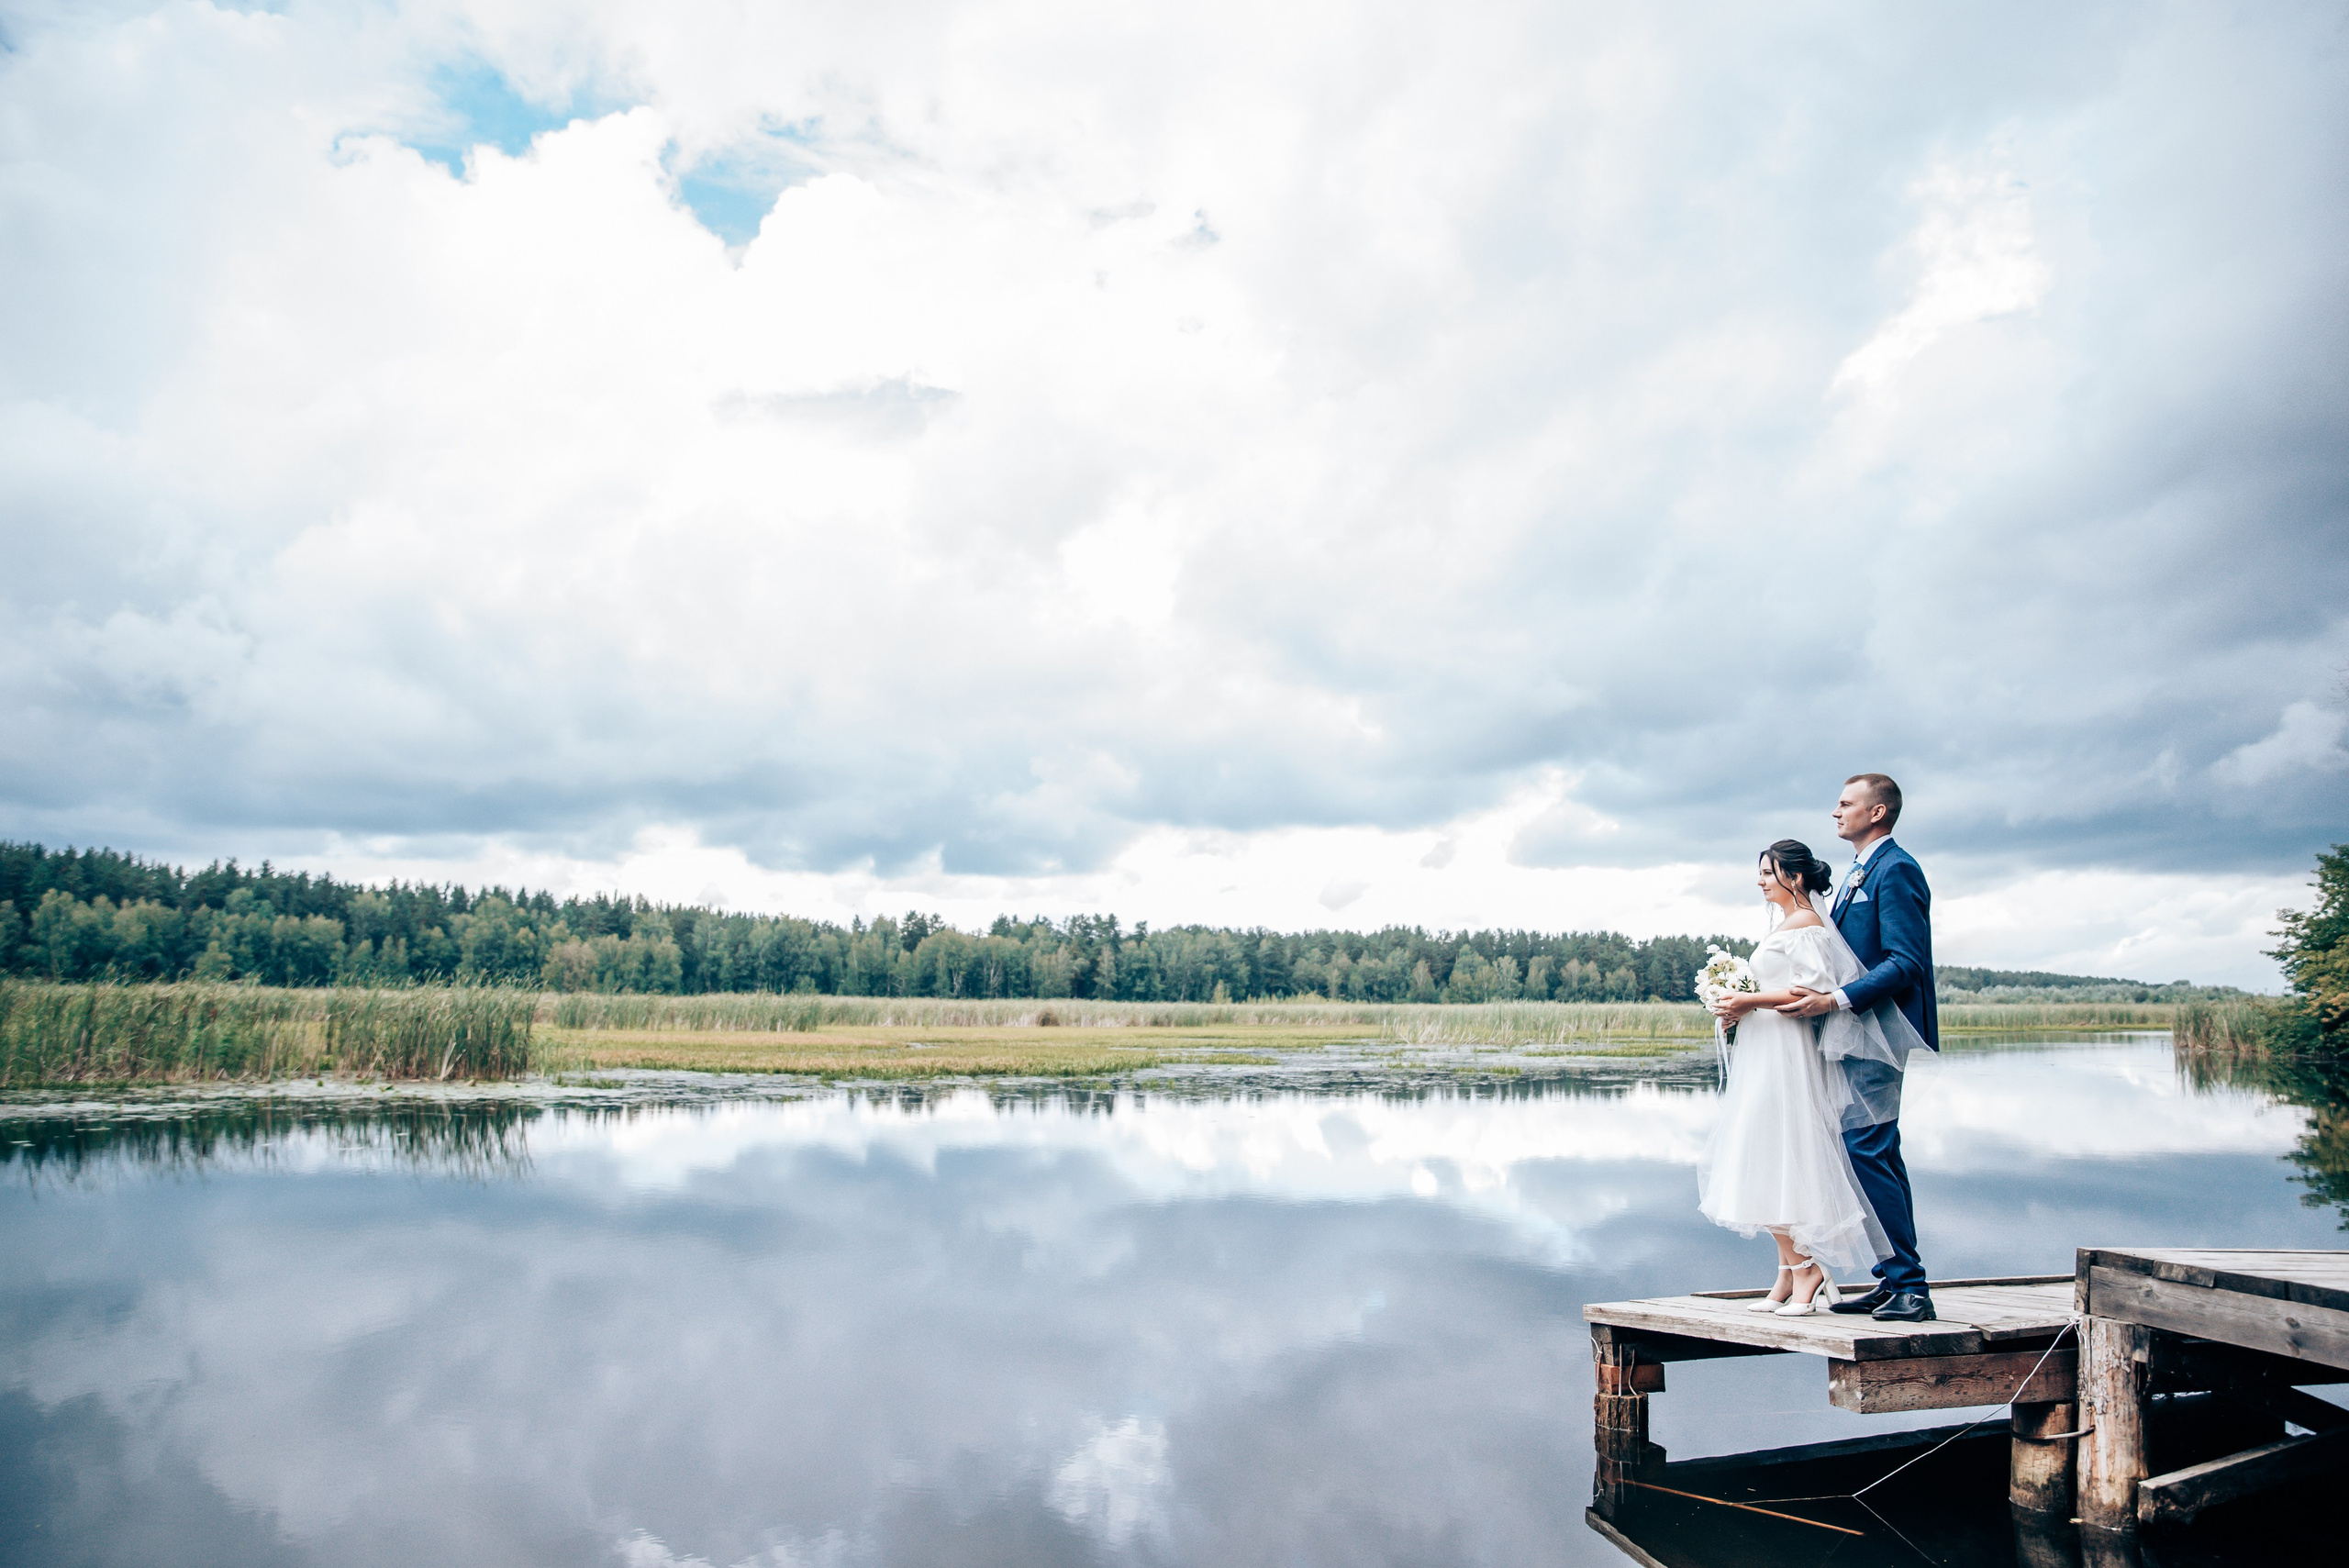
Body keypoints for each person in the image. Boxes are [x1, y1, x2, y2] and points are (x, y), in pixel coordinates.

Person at [1698, 840, 1891, 1314]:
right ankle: (1788, 1273)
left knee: (1780, 1153)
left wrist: (1750, 1001)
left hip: (1787, 1055)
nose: (1762, 880)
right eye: (1761, 873)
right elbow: (1773, 991)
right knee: (1761, 1156)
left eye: (1769, 872)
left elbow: (1812, 993)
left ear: (1797, 878)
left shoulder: (1807, 925)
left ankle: (1808, 1269)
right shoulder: (1785, 925)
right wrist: (1737, 1010)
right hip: (1765, 1050)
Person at [1777, 773, 1937, 1323]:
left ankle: (1910, 1288)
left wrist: (1835, 1000)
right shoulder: (1856, 874)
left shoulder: (1896, 869)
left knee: (1868, 1152)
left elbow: (1905, 963)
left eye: (1845, 804)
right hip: (1857, 1036)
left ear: (1877, 812)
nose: (1835, 812)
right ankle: (1895, 1279)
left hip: (1879, 1034)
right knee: (1875, 1154)